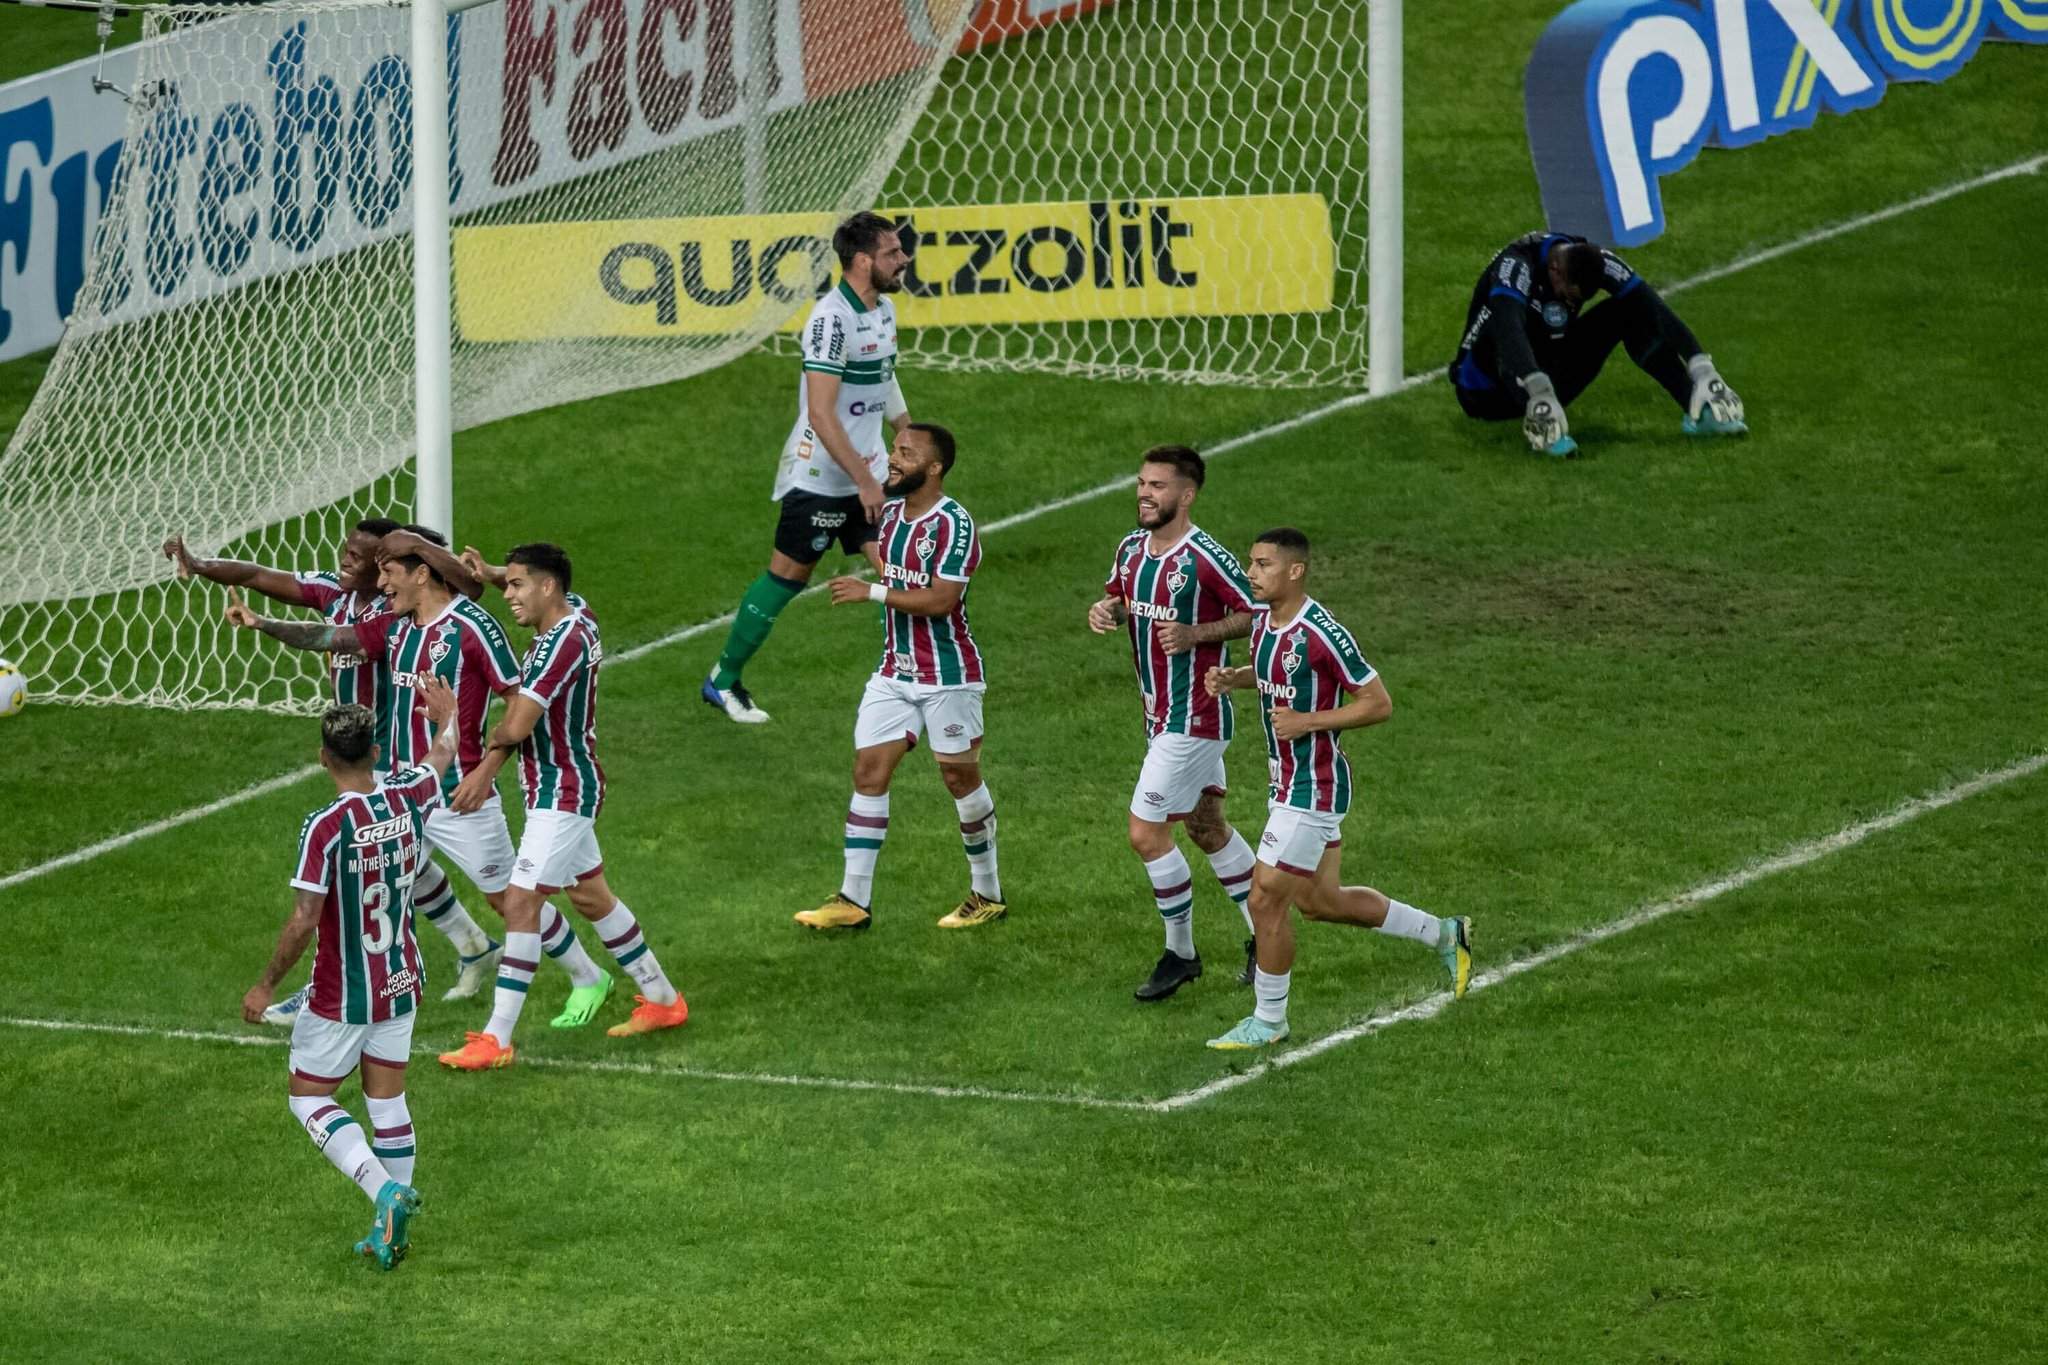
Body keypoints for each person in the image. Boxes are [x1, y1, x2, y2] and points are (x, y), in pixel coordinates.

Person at [173, 521, 502, 1019]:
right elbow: (264, 576)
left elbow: (355, 642)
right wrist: (202, 568)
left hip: (388, 756)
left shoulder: (397, 616)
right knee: (401, 869)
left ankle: (333, 988)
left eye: (361, 557)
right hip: (384, 760)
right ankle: (475, 946)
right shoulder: (337, 593)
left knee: (366, 874)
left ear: (388, 567)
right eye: (347, 552)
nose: (347, 561)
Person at [1201, 528, 1472, 1051]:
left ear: (1294, 571)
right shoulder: (1262, 622)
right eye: (1250, 564)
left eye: (1261, 565)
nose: (1251, 574)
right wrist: (1235, 678)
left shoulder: (1322, 634)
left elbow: (1378, 702)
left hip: (1313, 787)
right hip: (1286, 784)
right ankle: (1445, 933)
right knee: (1321, 902)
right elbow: (1277, 677)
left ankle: (1269, 1020)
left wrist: (1308, 723)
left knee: (1264, 900)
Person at [438, 543, 691, 1070]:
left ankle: (495, 1038)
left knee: (520, 901)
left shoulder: (559, 646)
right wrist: (492, 570)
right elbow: (562, 586)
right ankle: (665, 1000)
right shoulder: (581, 618)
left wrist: (482, 768)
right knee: (593, 899)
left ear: (547, 587)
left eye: (516, 585)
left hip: (563, 793)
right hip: (554, 789)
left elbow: (517, 724)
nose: (506, 596)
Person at [240, 677, 459, 1270]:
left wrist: (266, 984)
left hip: (342, 993)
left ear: (323, 758)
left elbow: (303, 919)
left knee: (309, 1099)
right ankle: (391, 1230)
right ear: (378, 752)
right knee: (387, 1101)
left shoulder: (326, 827)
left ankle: (381, 1190)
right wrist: (449, 718)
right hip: (401, 980)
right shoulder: (410, 795)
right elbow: (440, 760)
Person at [702, 211, 912, 724]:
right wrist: (864, 481)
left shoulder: (883, 311)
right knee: (788, 578)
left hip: (871, 475)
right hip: (821, 477)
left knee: (900, 573)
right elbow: (820, 413)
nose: (903, 259)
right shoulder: (830, 319)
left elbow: (883, 380)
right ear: (862, 261)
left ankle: (914, 678)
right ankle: (722, 680)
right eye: (891, 252)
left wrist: (907, 432)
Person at [799, 423, 1004, 931]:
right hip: (894, 672)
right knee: (869, 771)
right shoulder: (890, 515)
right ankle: (853, 901)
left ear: (933, 469)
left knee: (959, 778)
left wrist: (869, 592)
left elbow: (940, 600)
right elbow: (882, 553)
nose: (894, 458)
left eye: (905, 453)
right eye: (894, 449)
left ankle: (987, 892)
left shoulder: (954, 525)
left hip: (949, 676)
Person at [1086, 445, 1262, 1001]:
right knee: (1207, 827)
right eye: (1141, 483)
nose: (1144, 493)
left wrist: (1195, 635)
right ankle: (1266, 936)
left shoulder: (1205, 558)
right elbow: (1120, 597)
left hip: (1195, 718)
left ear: (1185, 496)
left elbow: (1253, 616)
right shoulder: (1132, 550)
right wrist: (1105, 610)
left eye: (1158, 486)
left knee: (1145, 832)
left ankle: (1181, 953)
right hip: (1159, 716)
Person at [1449, 231, 1746, 457]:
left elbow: (1652, 306)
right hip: (1487, 391)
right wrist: (1536, 386)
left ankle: (1700, 411)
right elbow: (1508, 330)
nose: (1571, 305)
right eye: (1569, 295)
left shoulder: (1596, 260)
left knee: (1629, 311)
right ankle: (1543, 424)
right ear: (1555, 270)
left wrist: (1700, 364)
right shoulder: (1516, 265)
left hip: (1548, 375)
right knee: (1505, 324)